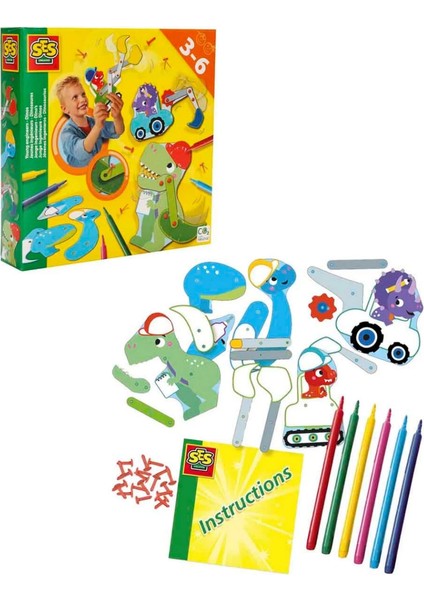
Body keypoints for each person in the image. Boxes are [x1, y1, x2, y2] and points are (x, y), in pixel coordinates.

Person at [56, 76, 124, 168]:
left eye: (83, 94)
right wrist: (97, 126)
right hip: (79, 173)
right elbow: (81, 153)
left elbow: (118, 131)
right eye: (75, 97)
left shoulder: (93, 121)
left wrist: (117, 116)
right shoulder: (66, 133)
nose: (82, 99)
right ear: (65, 109)